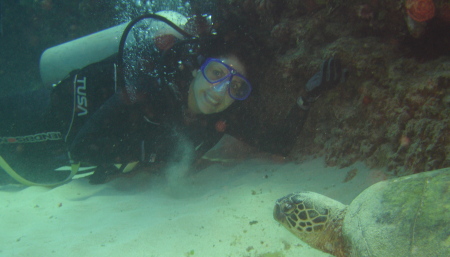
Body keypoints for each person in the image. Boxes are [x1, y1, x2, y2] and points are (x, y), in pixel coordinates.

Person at [0, 13, 346, 186]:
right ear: (197, 68)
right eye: (214, 74)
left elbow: (278, 142)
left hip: (62, 153)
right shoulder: (154, 87)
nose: (218, 91)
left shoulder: (221, 117)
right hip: (61, 112)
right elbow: (81, 146)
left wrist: (307, 96)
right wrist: (141, 143)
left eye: (236, 87)